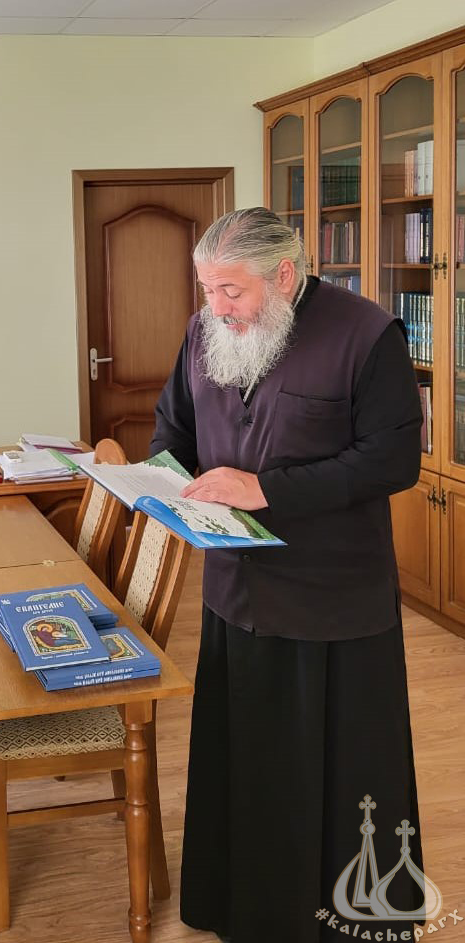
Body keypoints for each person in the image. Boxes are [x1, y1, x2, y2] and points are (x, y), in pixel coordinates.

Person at [151, 207, 425, 943]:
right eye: (207, 289)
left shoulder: (367, 334)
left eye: (230, 290)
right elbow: (172, 429)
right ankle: (241, 912)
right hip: (234, 593)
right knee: (245, 763)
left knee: (336, 776)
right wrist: (163, 485)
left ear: (281, 275)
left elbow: (391, 460)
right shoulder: (203, 332)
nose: (216, 307)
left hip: (331, 599)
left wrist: (265, 489)